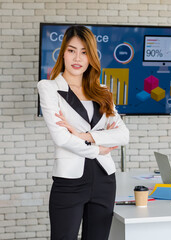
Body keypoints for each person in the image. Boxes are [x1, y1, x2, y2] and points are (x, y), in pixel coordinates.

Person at [37, 25, 129, 240]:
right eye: (71, 50)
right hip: (69, 181)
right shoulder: (49, 87)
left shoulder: (102, 91)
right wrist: (99, 148)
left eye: (84, 51)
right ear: (63, 53)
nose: (77, 57)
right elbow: (61, 137)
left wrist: (83, 136)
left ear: (92, 57)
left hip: (105, 180)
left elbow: (123, 135)